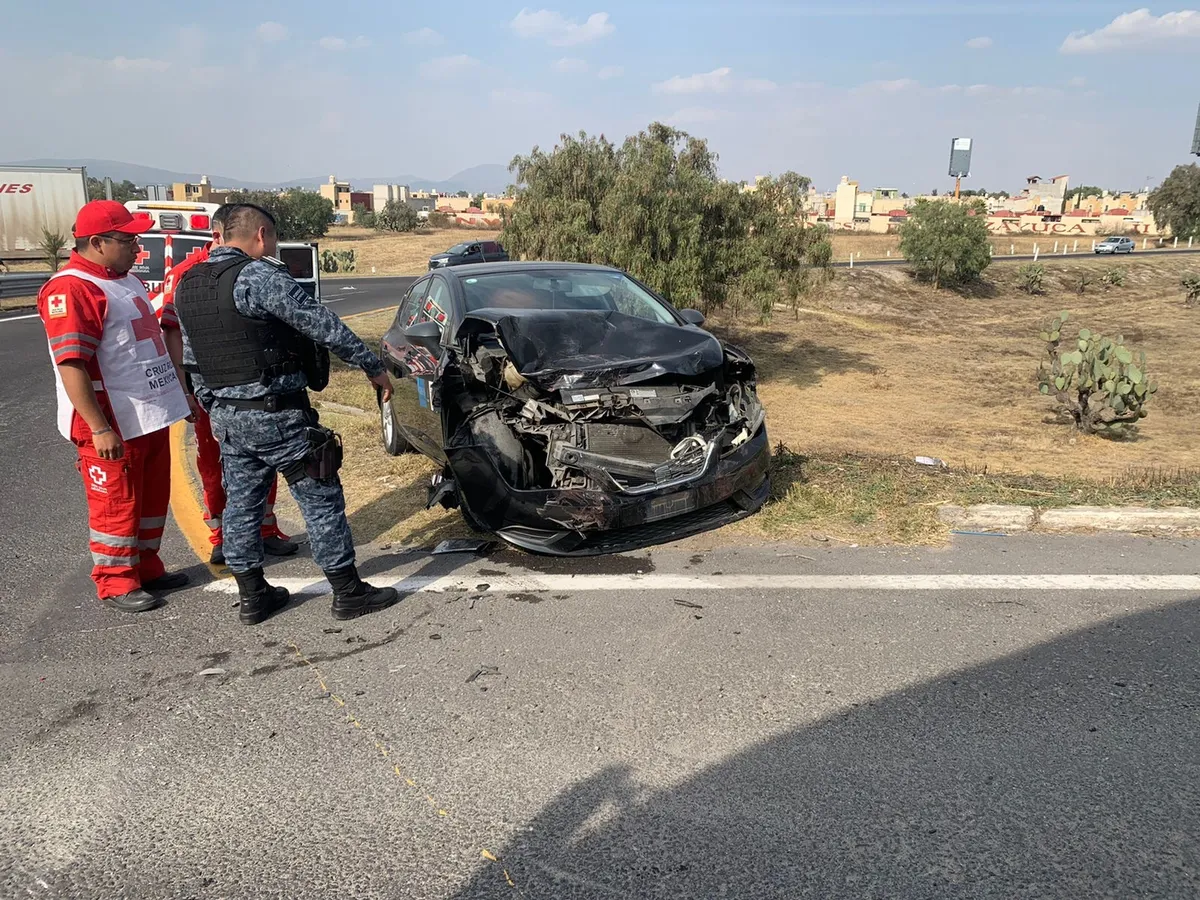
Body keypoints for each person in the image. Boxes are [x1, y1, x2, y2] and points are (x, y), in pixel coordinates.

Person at [173, 203, 398, 625]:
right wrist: (372, 365)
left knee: (241, 503)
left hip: (228, 418)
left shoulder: (189, 285)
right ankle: (348, 592)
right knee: (320, 496)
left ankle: (254, 597)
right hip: (277, 415)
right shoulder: (259, 276)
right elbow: (322, 325)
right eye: (272, 238)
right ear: (261, 235)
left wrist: (215, 407)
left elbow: (192, 359)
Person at [37, 200, 194, 613]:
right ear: (97, 242)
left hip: (148, 413)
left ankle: (146, 565)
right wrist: (99, 426)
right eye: (128, 240)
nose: (136, 248)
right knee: (117, 502)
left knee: (150, 497)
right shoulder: (72, 288)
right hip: (111, 420)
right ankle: (116, 580)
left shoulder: (124, 281)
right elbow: (70, 363)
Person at [157, 205, 299, 565]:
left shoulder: (256, 271)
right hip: (213, 389)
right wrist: (185, 389)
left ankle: (265, 529)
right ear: (216, 235)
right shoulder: (187, 276)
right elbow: (173, 335)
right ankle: (222, 533)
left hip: (254, 386)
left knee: (264, 459)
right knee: (214, 462)